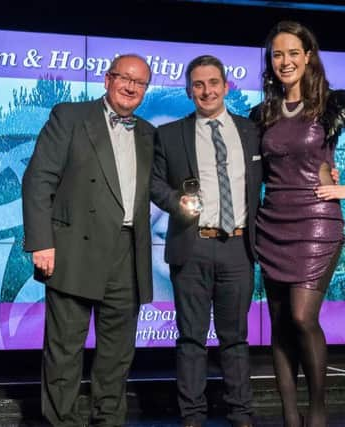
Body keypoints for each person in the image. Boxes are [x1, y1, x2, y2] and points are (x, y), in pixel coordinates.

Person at [253, 21, 345, 427]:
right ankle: (289, 416)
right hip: (273, 222)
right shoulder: (261, 113)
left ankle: (317, 413)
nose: (286, 61)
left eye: (293, 53)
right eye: (278, 54)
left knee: (301, 317)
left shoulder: (334, 103)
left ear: (308, 56)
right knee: (280, 325)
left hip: (317, 220)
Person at [22, 54, 155, 426]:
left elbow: (158, 188)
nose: (130, 86)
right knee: (64, 352)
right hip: (72, 251)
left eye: (139, 82)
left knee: (117, 355)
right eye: (123, 78)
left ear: (146, 89)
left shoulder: (147, 133)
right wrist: (41, 242)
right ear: (106, 79)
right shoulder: (70, 116)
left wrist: (190, 202)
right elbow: (38, 180)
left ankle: (108, 422)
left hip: (128, 254)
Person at [151, 55, 263, 427]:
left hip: (238, 247)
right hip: (192, 244)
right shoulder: (169, 134)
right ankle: (193, 417)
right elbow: (154, 183)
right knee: (191, 339)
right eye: (198, 84)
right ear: (189, 91)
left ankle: (241, 414)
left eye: (213, 82)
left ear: (226, 86)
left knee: (235, 339)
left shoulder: (251, 131)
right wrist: (175, 203)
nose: (206, 90)